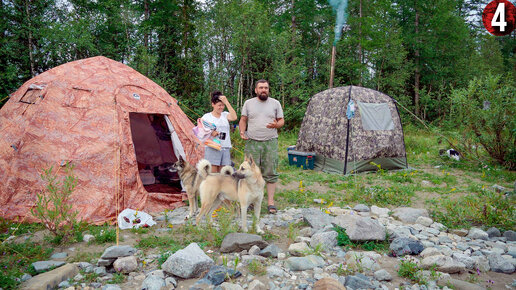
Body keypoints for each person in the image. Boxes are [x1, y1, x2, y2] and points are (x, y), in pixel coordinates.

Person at [239, 79, 284, 214]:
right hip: (252, 142)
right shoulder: (248, 103)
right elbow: (243, 120)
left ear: (268, 89)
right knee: (249, 171)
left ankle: (270, 203)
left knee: (270, 171)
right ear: (256, 90)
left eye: (266, 88)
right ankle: (250, 201)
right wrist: (242, 131)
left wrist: (276, 125)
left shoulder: (275, 103)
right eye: (261, 88)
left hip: (270, 142)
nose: (263, 90)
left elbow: (281, 120)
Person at [202, 91, 237, 173]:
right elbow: (201, 131)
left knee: (223, 174)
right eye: (219, 105)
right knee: (213, 175)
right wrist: (211, 132)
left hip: (225, 147)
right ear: (213, 104)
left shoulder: (225, 115)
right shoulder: (207, 117)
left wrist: (226, 102)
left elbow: (234, 117)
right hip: (213, 147)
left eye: (222, 105)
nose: (221, 107)